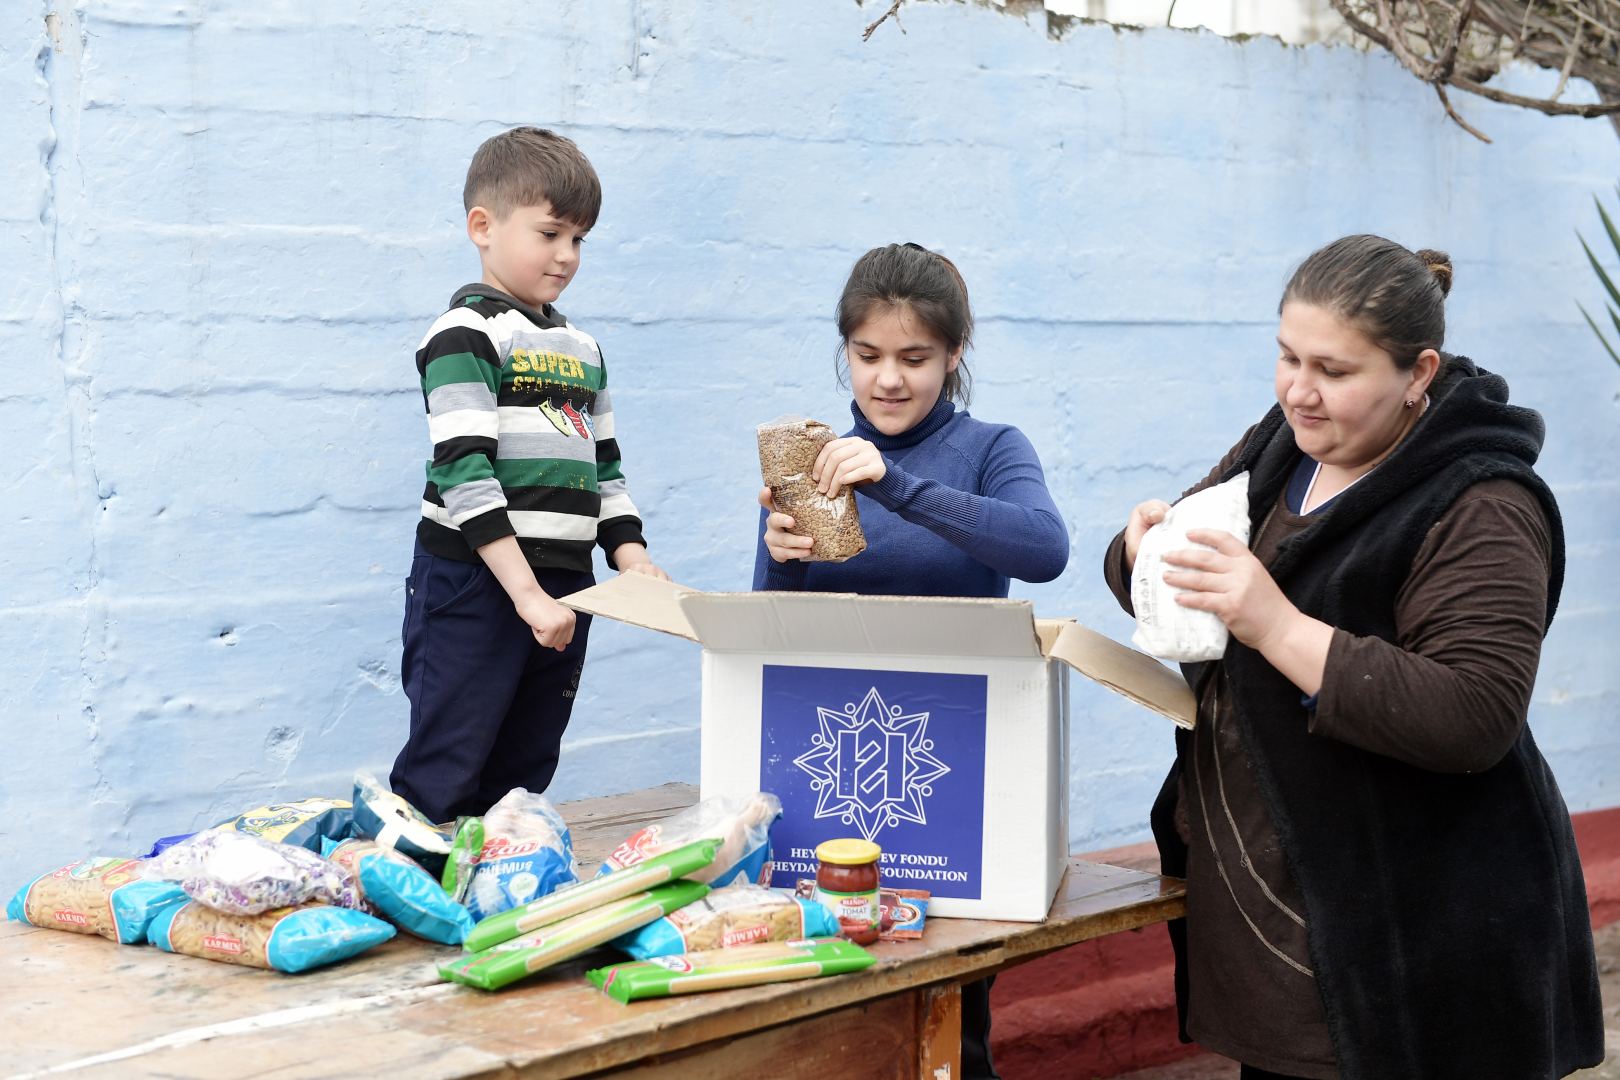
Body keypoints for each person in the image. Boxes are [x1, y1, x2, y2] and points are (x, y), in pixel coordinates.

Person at [1103, 234, 1602, 1079]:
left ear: (1419, 374)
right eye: (1287, 357)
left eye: (1335, 371)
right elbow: (1201, 595)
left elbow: (1472, 715)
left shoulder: (1482, 503)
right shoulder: (1284, 448)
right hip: (1288, 927)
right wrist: (1142, 551)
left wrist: (1274, 622)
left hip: (1422, 944)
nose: (1301, 391)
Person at [755, 242, 1069, 1079]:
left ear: (955, 354)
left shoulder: (991, 448)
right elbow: (770, 630)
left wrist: (896, 483)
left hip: (957, 768)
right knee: (839, 1004)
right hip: (830, 769)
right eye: (867, 357)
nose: (888, 380)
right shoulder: (812, 466)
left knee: (951, 1017)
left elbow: (1043, 549)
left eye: (915, 358)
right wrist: (782, 553)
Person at [390, 127, 667, 825]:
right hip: (478, 583)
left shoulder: (582, 349)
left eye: (579, 239)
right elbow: (465, 474)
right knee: (449, 757)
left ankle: (494, 889)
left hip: (568, 581)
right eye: (549, 234)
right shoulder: (465, 335)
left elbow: (604, 468)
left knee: (525, 762)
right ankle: (414, 896)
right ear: (482, 227)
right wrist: (525, 594)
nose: (567, 256)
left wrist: (631, 559)